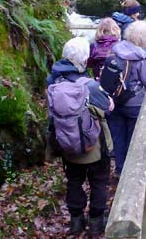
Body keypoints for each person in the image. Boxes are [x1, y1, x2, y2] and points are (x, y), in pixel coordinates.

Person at [46, 37, 114, 236]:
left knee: (74, 182)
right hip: (93, 146)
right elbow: (108, 109)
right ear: (85, 60)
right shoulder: (89, 85)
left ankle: (76, 222)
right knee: (99, 182)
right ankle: (95, 223)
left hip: (66, 144)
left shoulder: (53, 81)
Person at [107, 21, 146, 178]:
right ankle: (131, 174)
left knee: (118, 138)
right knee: (133, 139)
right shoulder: (140, 57)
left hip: (114, 101)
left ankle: (120, 170)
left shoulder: (116, 49)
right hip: (134, 104)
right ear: (141, 38)